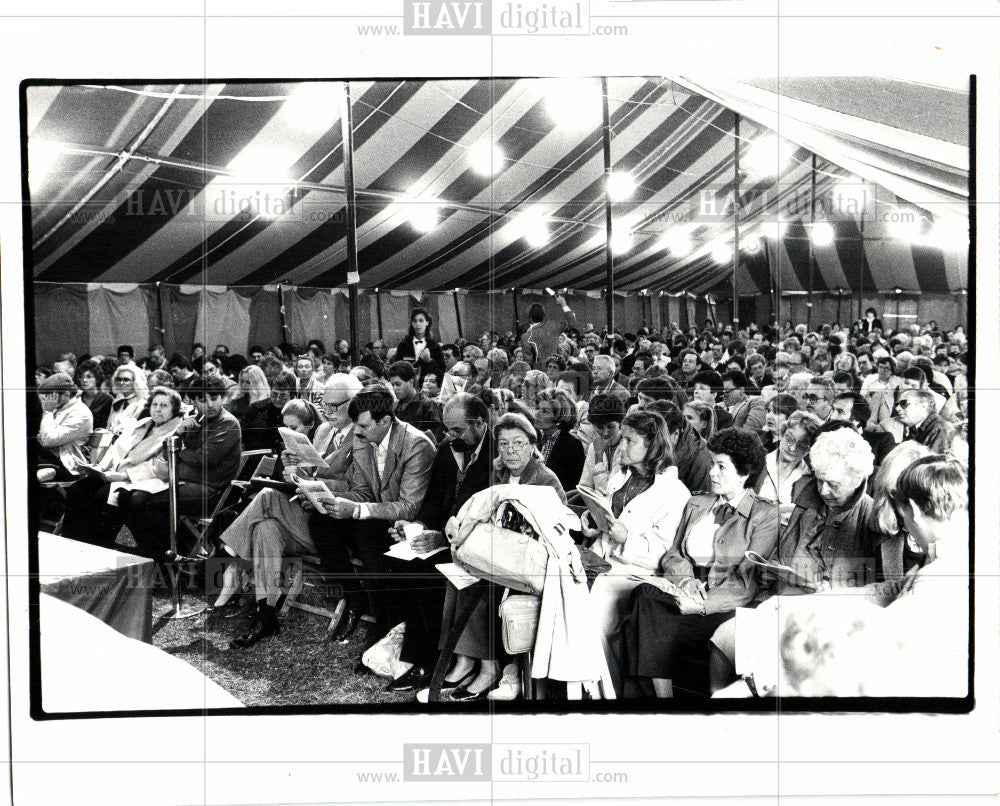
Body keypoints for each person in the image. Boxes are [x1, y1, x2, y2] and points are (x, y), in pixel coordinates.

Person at [615, 428, 776, 698]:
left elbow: (747, 582)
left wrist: (701, 605)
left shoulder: (763, 514)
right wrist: (687, 581)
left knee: (639, 619)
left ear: (744, 473)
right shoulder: (698, 503)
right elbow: (674, 553)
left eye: (721, 467)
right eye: (712, 464)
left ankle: (657, 701)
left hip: (725, 605)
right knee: (643, 596)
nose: (712, 472)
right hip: (687, 589)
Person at [216, 374, 363, 648]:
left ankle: (230, 554)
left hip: (331, 526)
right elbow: (305, 474)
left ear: (354, 403)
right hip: (303, 515)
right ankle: (266, 614)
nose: (327, 412)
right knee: (264, 529)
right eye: (325, 405)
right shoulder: (323, 431)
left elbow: (359, 487)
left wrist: (312, 482)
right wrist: (292, 469)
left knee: (268, 497)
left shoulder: (363, 434)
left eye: (335, 406)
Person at [435, 412, 566, 701]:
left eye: (518, 443)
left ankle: (490, 668)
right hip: (498, 554)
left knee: (481, 587)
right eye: (504, 444)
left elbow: (556, 532)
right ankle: (466, 660)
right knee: (456, 579)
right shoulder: (497, 473)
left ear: (533, 445)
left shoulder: (546, 479)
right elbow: (476, 510)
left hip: (531, 563)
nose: (510, 451)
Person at [381, 394, 494, 692]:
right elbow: (433, 503)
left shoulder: (495, 455)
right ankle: (406, 646)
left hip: (476, 545)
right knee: (398, 563)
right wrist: (416, 526)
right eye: (447, 429)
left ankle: (427, 660)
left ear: (480, 424)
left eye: (457, 430)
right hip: (446, 540)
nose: (450, 436)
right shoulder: (448, 449)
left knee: (429, 575)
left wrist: (441, 538)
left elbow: (485, 519)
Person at [307, 385, 436, 643]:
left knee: (366, 535)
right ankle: (354, 596)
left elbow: (408, 506)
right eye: (356, 425)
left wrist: (354, 510)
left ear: (386, 420)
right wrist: (333, 500)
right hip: (374, 518)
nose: (356, 431)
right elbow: (363, 491)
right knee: (321, 520)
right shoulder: (363, 439)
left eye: (363, 426)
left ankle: (380, 624)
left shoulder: (416, 445)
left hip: (405, 525)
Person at [586, 410, 692, 672]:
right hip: (601, 561)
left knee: (591, 613)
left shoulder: (675, 492)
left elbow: (662, 551)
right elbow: (609, 518)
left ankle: (602, 689)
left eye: (630, 440)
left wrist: (626, 539)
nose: (621, 446)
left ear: (652, 445)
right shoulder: (621, 475)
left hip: (635, 573)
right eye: (622, 438)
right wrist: (592, 520)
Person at [121, 377, 242, 565]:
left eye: (214, 398)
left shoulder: (228, 423)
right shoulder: (196, 420)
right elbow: (168, 455)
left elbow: (203, 459)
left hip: (211, 491)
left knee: (139, 500)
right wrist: (178, 433)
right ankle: (163, 553)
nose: (210, 404)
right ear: (193, 401)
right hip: (186, 483)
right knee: (126, 497)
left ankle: (164, 557)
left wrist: (181, 451)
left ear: (222, 398)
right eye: (202, 400)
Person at [61, 387, 184, 548]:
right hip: (115, 473)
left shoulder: (174, 433)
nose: (158, 410)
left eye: (164, 406)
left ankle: (96, 545)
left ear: (174, 410)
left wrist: (123, 476)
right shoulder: (144, 424)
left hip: (142, 481)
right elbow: (116, 449)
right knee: (80, 488)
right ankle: (71, 541)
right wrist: (100, 468)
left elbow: (160, 467)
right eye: (155, 405)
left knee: (102, 496)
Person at [752, 410, 822, 526]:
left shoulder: (810, 480)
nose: (793, 448)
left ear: (810, 449)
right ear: (783, 434)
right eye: (790, 439)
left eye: (802, 444)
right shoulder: (757, 462)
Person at [35, 373, 94, 481]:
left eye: (50, 396)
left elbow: (48, 440)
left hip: (66, 465)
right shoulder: (59, 408)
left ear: (66, 394)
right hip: (49, 457)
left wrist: (47, 413)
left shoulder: (80, 413)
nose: (45, 401)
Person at [534, 387, 586, 492]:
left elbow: (570, 487)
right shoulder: (536, 441)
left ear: (559, 417)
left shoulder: (572, 446)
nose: (537, 414)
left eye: (544, 411)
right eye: (538, 408)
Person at [578, 392, 626, 494]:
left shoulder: (626, 448)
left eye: (611, 426)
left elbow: (609, 492)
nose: (605, 433)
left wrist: (599, 457)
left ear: (620, 423)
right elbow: (584, 485)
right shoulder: (593, 446)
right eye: (600, 427)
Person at [387, 360, 443, 441]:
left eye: (398, 384)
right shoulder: (395, 408)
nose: (395, 388)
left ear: (410, 382)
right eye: (393, 385)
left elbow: (436, 436)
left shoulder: (428, 405)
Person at [242, 371, 297, 454]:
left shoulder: (297, 412)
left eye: (283, 396)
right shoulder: (255, 409)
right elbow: (241, 436)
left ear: (292, 396)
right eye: (274, 394)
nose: (277, 399)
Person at [896, 388, 954, 453]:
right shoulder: (916, 427)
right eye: (897, 404)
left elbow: (935, 462)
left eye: (903, 404)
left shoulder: (941, 429)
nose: (897, 408)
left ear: (923, 406)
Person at [394, 308, 445, 379]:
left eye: (421, 321)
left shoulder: (435, 346)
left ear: (427, 323)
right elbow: (397, 367)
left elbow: (441, 370)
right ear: (412, 323)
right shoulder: (403, 344)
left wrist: (429, 360)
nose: (418, 324)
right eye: (415, 321)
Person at [105, 364, 148, 436]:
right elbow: (108, 427)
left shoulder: (141, 405)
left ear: (136, 382)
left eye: (126, 380)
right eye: (119, 379)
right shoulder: (116, 402)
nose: (121, 383)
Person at [75, 360, 113, 431]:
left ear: (97, 379)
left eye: (89, 377)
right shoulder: (77, 399)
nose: (84, 380)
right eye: (81, 377)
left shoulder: (107, 399)